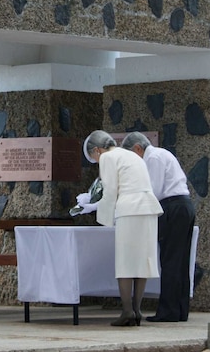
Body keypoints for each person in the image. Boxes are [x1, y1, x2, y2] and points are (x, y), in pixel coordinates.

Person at [76, 130, 163, 327]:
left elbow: (110, 190)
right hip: (148, 208)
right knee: (142, 262)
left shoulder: (108, 157)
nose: (97, 162)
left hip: (130, 209)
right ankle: (137, 310)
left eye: (94, 158)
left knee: (125, 262)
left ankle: (127, 311)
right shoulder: (131, 155)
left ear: (97, 150)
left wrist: (100, 216)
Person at [120, 132, 196, 322]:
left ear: (138, 148)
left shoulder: (152, 158)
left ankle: (168, 312)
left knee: (170, 261)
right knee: (179, 262)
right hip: (183, 206)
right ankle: (179, 310)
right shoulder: (162, 154)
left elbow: (152, 190)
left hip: (172, 208)